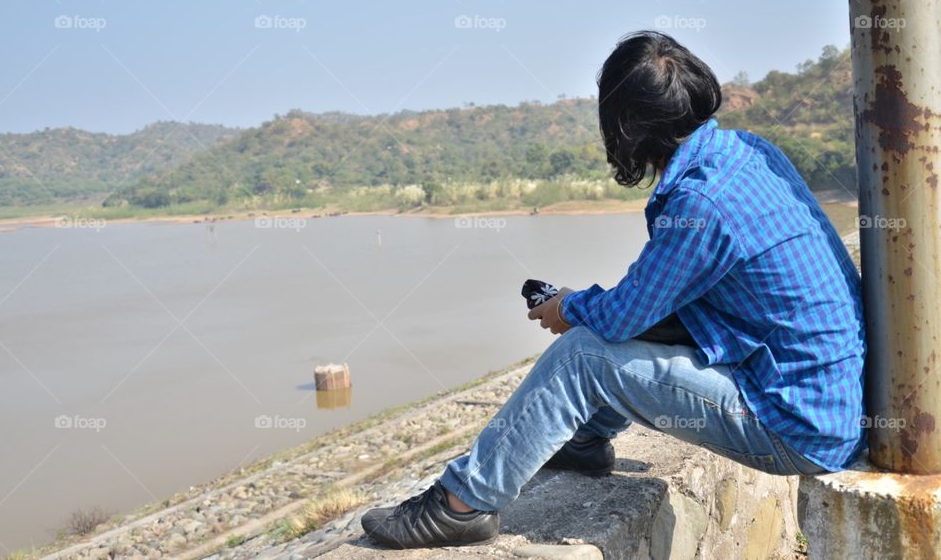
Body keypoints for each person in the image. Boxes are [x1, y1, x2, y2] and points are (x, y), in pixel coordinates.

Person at [361, 31, 866, 549]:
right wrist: (585, 305)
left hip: (795, 424)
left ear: (625, 126)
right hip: (832, 401)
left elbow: (624, 318)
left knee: (583, 356)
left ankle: (461, 504)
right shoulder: (749, 152)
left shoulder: (700, 203)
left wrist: (567, 305)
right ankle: (582, 441)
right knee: (644, 323)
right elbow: (659, 304)